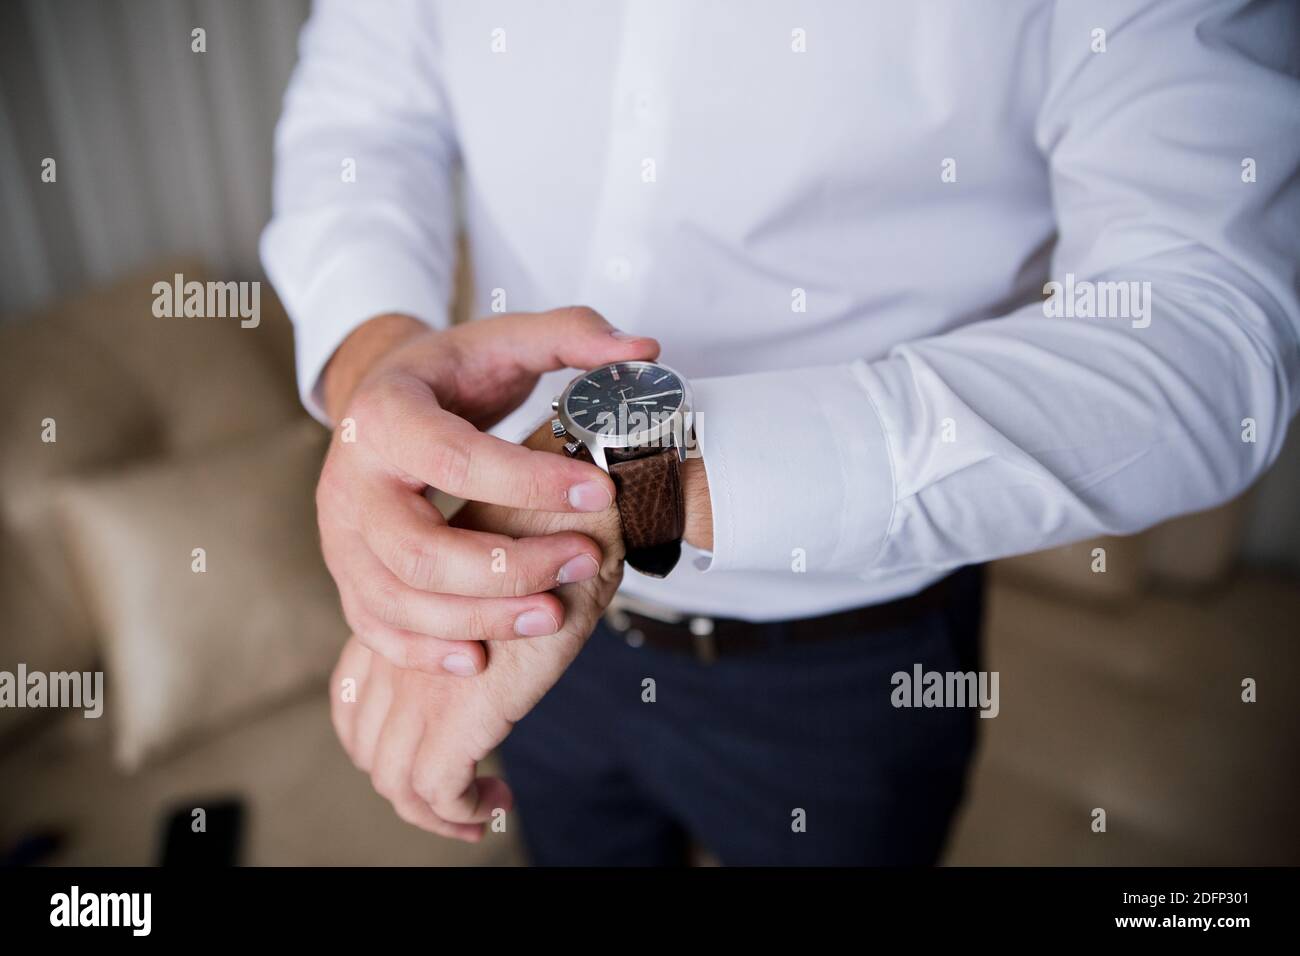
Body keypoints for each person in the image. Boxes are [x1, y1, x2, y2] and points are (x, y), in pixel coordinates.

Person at [261, 0, 1300, 865]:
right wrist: (373, 361)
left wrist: (617, 470)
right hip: (516, 621)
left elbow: (1207, 328)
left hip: (843, 665)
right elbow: (362, 111)